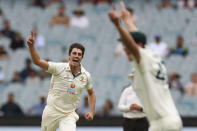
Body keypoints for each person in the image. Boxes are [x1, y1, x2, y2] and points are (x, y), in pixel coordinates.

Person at [108, 2, 182, 131]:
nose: (125, 48)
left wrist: (117, 25)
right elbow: (139, 39)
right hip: (167, 120)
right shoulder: (151, 55)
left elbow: (135, 46)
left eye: (127, 45)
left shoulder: (142, 58)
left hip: (162, 123)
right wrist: (128, 21)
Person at [27, 32, 96, 131]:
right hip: (51, 112)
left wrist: (92, 112)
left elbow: (91, 93)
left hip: (69, 115)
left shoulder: (86, 76)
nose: (76, 56)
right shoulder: (58, 68)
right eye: (74, 53)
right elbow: (37, 61)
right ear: (69, 55)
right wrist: (31, 47)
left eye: (79, 54)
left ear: (82, 58)